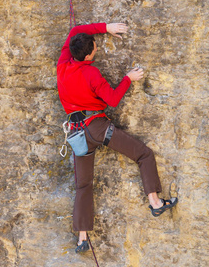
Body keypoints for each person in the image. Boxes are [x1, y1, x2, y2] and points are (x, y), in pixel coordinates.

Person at [57, 22, 178, 253]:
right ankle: (155, 202)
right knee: (143, 154)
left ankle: (82, 238)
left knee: (83, 185)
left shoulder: (62, 65)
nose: (96, 47)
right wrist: (128, 79)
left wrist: (105, 27)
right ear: (91, 52)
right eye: (95, 46)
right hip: (97, 127)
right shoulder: (91, 72)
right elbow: (112, 99)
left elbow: (74, 32)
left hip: (76, 133)